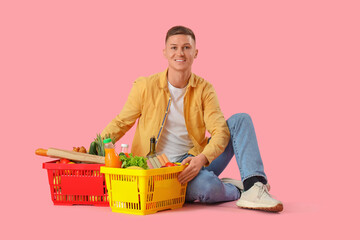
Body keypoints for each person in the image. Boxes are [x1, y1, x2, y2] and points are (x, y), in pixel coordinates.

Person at [101, 26, 283, 212]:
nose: (180, 53)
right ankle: (237, 188)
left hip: (196, 158)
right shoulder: (145, 86)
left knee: (241, 120)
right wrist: (97, 147)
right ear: (165, 52)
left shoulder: (205, 89)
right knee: (207, 188)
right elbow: (121, 122)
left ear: (195, 53)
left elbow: (220, 131)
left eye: (186, 47)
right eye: (174, 47)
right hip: (162, 170)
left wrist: (201, 158)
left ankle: (254, 186)